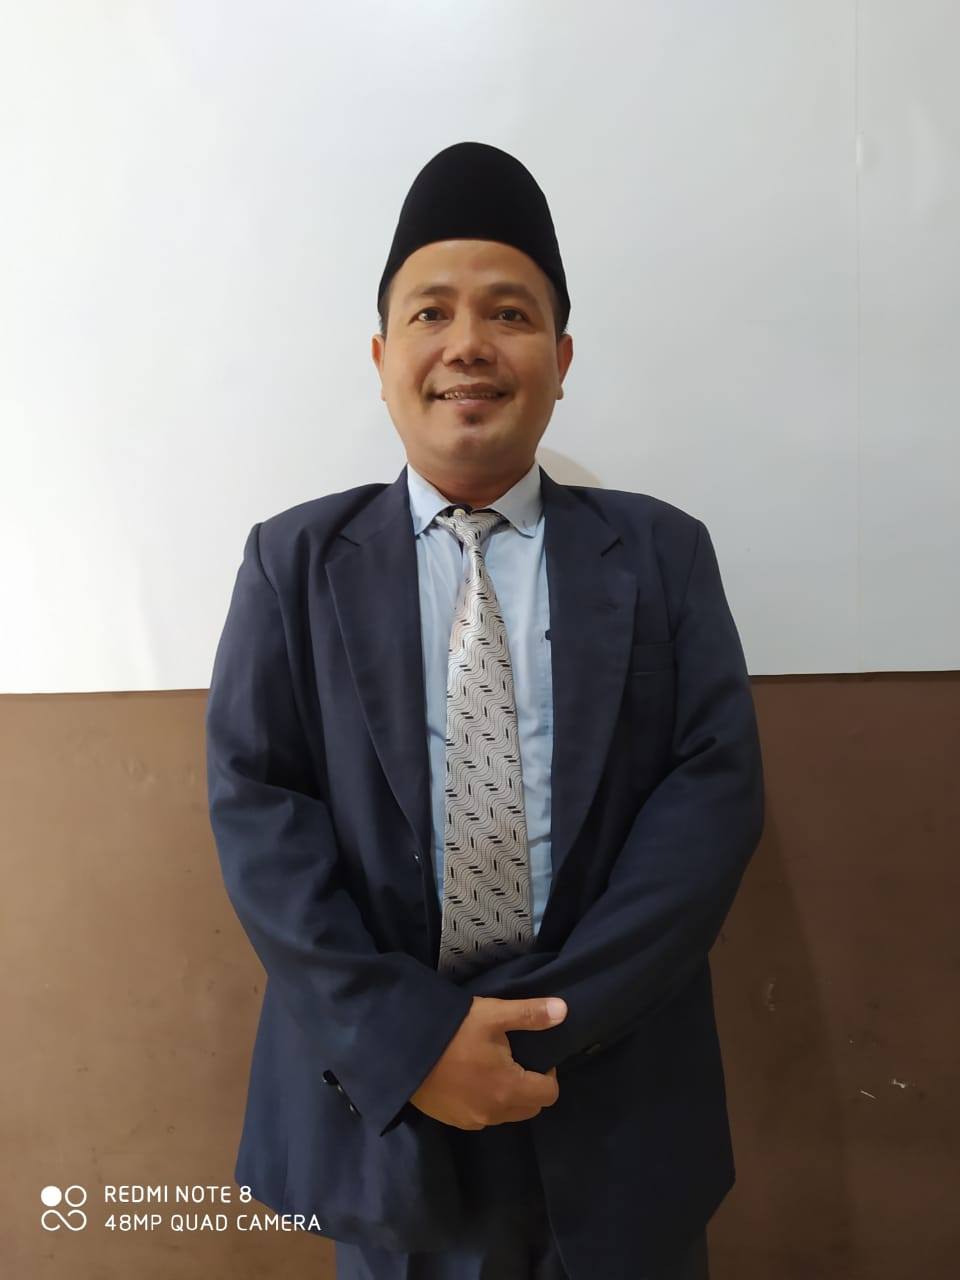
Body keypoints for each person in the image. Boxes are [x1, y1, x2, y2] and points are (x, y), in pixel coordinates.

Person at [204, 141, 765, 1280]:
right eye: (431, 313)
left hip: (614, 1092)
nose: (468, 343)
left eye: (510, 313)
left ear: (561, 358)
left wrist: (548, 1025)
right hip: (387, 1108)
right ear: (381, 358)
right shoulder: (292, 563)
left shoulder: (661, 555)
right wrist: (417, 1044)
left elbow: (709, 802)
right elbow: (261, 820)